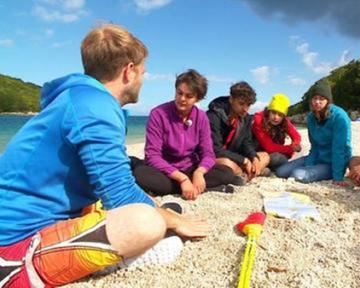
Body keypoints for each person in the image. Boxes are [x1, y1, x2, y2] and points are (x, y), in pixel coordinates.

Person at [0, 24, 211, 287]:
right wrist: (173, 221)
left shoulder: (81, 97)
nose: (143, 80)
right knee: (146, 222)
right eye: (143, 72)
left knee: (152, 206)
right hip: (13, 240)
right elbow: (121, 197)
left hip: (46, 217)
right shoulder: (94, 106)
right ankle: (30, 266)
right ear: (129, 71)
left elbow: (111, 180)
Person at [131, 69, 238, 199]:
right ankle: (197, 188)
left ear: (197, 98)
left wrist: (199, 172)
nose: (182, 99)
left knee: (226, 172)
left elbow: (208, 154)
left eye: (189, 96)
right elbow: (152, 156)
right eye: (179, 93)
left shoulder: (201, 117)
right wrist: (182, 179)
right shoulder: (158, 114)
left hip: (190, 168)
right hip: (165, 170)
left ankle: (185, 188)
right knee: (141, 174)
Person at [275, 80, 352, 184]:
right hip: (317, 157)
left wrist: (338, 177)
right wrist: (309, 165)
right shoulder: (311, 117)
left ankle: (329, 171)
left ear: (328, 100)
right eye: (315, 98)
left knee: (297, 174)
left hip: (334, 161)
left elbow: (340, 149)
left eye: (321, 99)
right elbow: (314, 146)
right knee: (281, 172)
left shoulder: (339, 117)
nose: (317, 102)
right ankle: (310, 169)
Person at [207, 81, 270, 182]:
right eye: (241, 104)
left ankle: (245, 174)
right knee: (228, 163)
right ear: (231, 99)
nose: (245, 109)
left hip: (234, 155)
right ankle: (248, 173)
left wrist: (253, 156)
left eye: (248, 105)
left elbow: (247, 142)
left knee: (264, 156)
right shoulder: (214, 115)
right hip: (216, 156)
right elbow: (215, 149)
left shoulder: (245, 118)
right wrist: (243, 160)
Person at [252, 93, 302, 171]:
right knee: (276, 158)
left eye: (280, 115)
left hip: (273, 153)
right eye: (274, 113)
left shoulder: (284, 121)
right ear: (269, 111)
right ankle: (263, 167)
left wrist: (295, 143)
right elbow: (269, 147)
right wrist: (291, 148)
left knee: (278, 158)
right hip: (257, 152)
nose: (276, 117)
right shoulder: (259, 120)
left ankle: (264, 168)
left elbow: (296, 136)